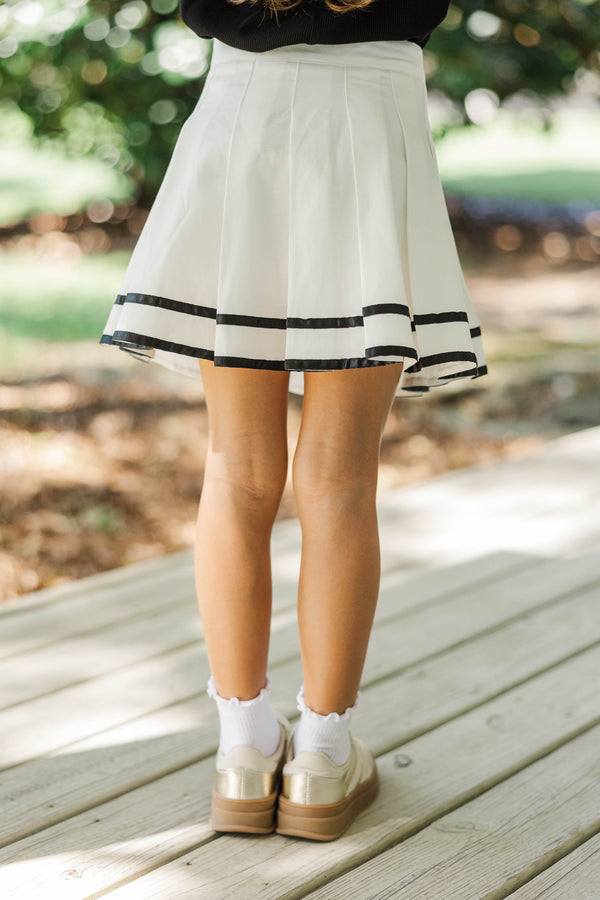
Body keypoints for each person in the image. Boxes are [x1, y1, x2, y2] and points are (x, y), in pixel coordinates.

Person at [99, 0, 487, 841]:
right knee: (341, 476)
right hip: (375, 127)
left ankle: (243, 751)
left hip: (243, 126)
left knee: (237, 469)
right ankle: (320, 756)